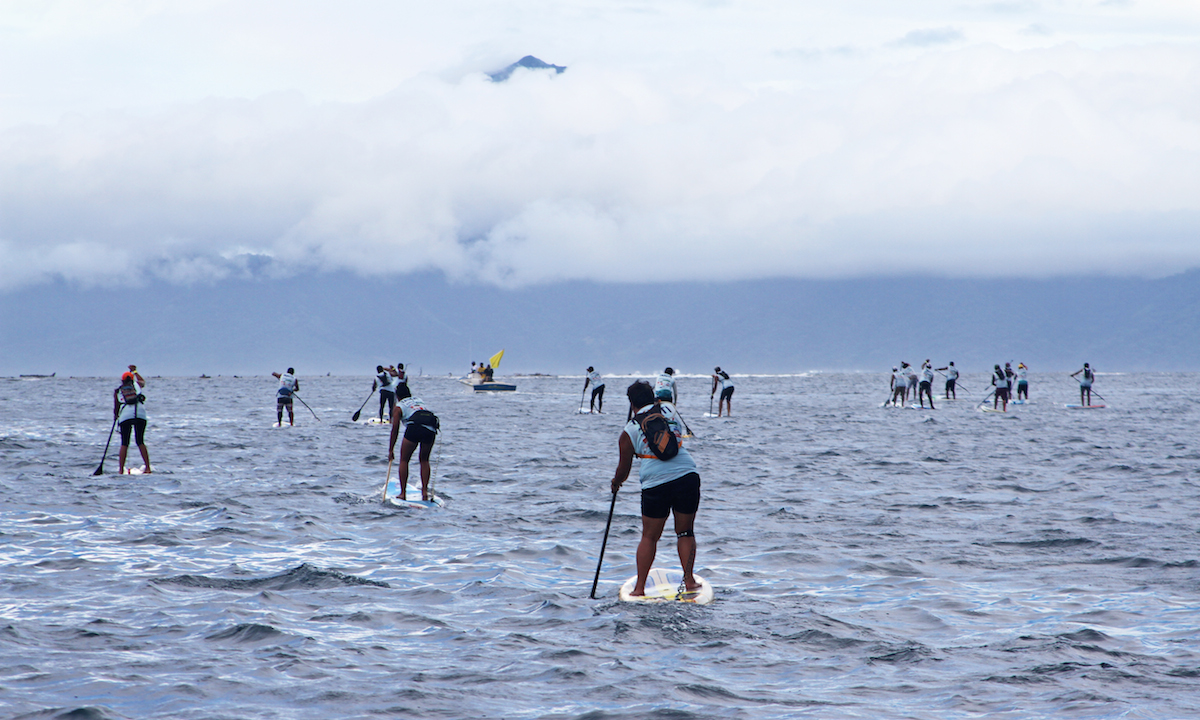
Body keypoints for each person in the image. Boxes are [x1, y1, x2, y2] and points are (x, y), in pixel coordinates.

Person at [610, 380, 702, 597]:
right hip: (687, 475)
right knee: (685, 532)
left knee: (649, 537)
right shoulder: (669, 411)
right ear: (653, 397)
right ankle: (689, 582)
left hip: (654, 483)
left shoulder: (629, 430)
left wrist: (616, 483)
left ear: (631, 403)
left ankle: (639, 588)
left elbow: (623, 469)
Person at [387, 384, 440, 501]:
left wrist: (391, 450)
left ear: (397, 396)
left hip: (414, 428)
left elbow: (395, 430)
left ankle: (402, 493)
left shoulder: (398, 407)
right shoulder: (418, 400)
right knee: (424, 460)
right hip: (430, 428)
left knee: (404, 460)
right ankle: (425, 492)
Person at [112, 365, 151, 474]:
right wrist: (135, 371)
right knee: (140, 441)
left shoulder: (118, 391)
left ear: (122, 380)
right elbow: (142, 381)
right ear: (132, 379)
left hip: (125, 417)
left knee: (124, 443)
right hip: (140, 415)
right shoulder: (137, 385)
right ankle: (148, 468)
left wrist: (116, 417)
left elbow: (116, 407)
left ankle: (121, 470)